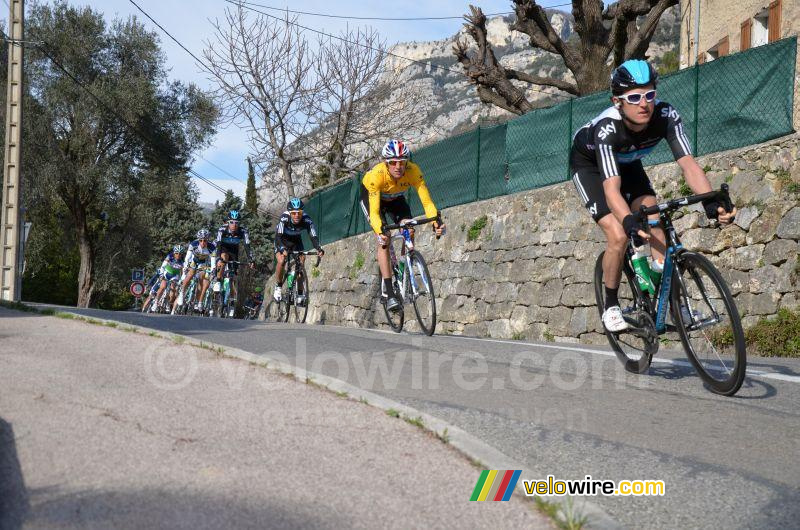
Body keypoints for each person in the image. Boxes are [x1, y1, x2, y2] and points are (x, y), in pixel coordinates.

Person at [570, 59, 736, 332]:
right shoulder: (607, 130)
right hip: (590, 166)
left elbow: (688, 164)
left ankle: (669, 295)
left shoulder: (666, 116)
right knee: (619, 234)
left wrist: (709, 200)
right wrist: (628, 221)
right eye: (634, 97)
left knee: (654, 216)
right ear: (617, 101)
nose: (644, 103)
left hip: (628, 162)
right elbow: (611, 190)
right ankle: (611, 305)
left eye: (649, 94)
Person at [360, 139, 445, 311]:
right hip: (373, 199)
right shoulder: (377, 175)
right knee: (384, 239)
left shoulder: (413, 171)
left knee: (409, 229)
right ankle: (390, 293)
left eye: (402, 162)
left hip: (395, 198)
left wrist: (436, 221)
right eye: (393, 162)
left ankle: (402, 267)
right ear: (386, 163)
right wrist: (380, 230)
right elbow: (375, 213)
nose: (398, 166)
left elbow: (427, 203)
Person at [273, 197, 324, 304]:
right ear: (290, 213)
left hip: (296, 240)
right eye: (294, 213)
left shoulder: (307, 220)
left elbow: (313, 236)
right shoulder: (284, 218)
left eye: (299, 213)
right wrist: (282, 249)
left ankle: (300, 293)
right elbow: (278, 237)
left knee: (301, 264)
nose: (297, 215)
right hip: (282, 240)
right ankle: (278, 287)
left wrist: (318, 248)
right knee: (282, 260)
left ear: (302, 212)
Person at [215, 209, 255, 308]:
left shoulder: (243, 231)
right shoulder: (222, 229)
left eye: (236, 223)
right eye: (231, 222)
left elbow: (247, 246)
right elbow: (219, 244)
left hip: (234, 250)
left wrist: (251, 259)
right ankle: (218, 281)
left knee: (233, 274)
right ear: (228, 222)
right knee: (224, 259)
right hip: (223, 248)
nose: (234, 225)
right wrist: (218, 258)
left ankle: (231, 300)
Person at [174, 229, 216, 313]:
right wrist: (185, 266)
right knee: (190, 273)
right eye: (200, 240)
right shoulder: (193, 244)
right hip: (194, 261)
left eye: (205, 240)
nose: (202, 243)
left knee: (202, 277)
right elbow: (187, 257)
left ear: (208, 240)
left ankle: (198, 301)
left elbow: (213, 261)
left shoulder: (212, 247)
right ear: (198, 240)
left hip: (203, 264)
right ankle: (182, 293)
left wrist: (212, 270)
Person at [149, 244, 186, 312]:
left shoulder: (183, 260)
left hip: (175, 275)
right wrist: (161, 274)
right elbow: (163, 266)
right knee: (162, 287)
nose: (178, 255)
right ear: (174, 253)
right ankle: (156, 302)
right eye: (176, 253)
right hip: (166, 273)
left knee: (173, 290)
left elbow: (184, 272)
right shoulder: (170, 256)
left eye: (180, 254)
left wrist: (182, 280)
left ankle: (168, 303)